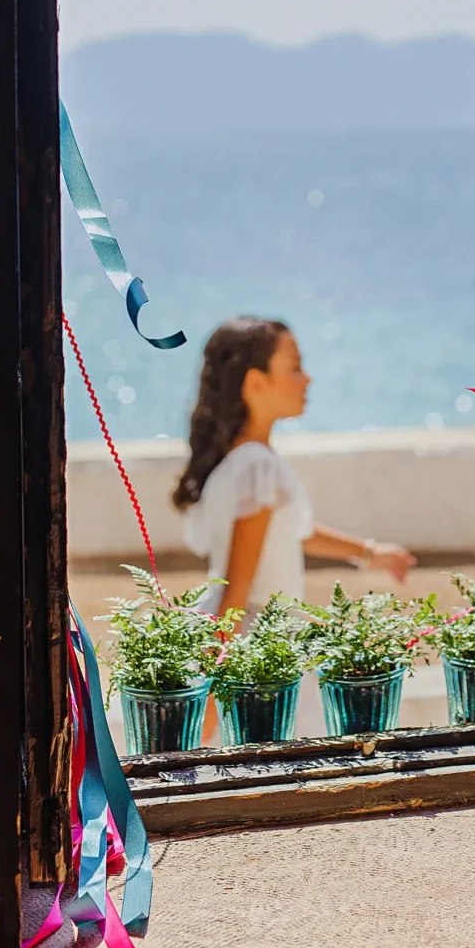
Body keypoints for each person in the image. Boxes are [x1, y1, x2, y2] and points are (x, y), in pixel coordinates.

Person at [174, 316, 416, 737]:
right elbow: (238, 587)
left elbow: (288, 531)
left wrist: (370, 553)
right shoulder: (257, 468)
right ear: (256, 384)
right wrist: (212, 694)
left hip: (254, 637)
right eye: (295, 366)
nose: (308, 378)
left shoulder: (246, 463)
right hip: (258, 648)